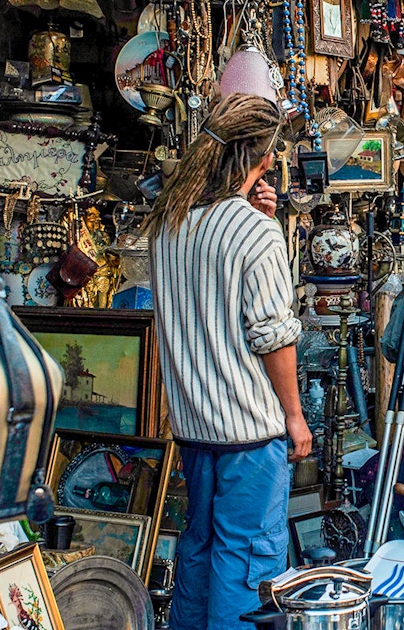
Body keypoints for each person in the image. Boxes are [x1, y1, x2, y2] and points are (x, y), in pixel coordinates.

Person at [143, 94, 313, 630]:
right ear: (263, 157)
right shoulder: (255, 233)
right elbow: (272, 336)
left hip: (194, 427)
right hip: (248, 431)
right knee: (245, 563)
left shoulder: (168, 224)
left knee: (199, 550)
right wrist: (295, 416)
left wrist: (259, 220)